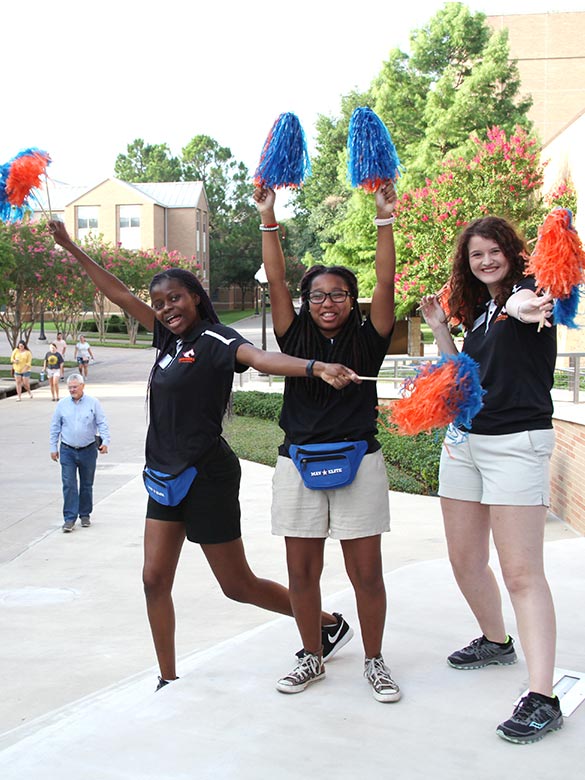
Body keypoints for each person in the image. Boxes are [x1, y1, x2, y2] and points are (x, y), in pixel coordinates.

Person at [49, 219, 360, 692]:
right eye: (159, 302)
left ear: (195, 297)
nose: (166, 308)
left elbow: (260, 358)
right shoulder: (167, 339)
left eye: (175, 298)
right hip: (162, 476)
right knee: (154, 579)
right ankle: (168, 678)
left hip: (207, 475)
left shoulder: (215, 340)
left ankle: (325, 622)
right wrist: (69, 245)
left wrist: (314, 367)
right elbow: (117, 294)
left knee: (237, 586)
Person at [253, 181, 400, 703]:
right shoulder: (295, 337)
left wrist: (385, 220)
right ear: (306, 302)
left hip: (359, 461)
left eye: (338, 293)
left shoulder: (370, 336)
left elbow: (386, 280)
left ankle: (376, 661)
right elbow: (275, 276)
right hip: (299, 463)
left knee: (367, 573)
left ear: (352, 300)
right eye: (317, 295)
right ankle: (312, 654)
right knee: (301, 571)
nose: (327, 302)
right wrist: (269, 218)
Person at [419, 216, 562, 744]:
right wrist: (440, 329)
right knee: (465, 560)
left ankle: (543, 696)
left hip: (516, 446)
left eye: (493, 251)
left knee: (522, 574)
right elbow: (460, 378)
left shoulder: (531, 295)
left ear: (511, 251)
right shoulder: (479, 314)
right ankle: (495, 640)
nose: (485, 261)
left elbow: (531, 306)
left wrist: (523, 304)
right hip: (464, 443)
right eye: (475, 255)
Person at [50, 373, 110, 532]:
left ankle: (85, 514)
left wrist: (105, 442)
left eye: (75, 387)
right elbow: (55, 427)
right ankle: (69, 518)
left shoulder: (93, 403)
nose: (72, 390)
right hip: (67, 450)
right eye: (69, 387)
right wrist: (53, 448)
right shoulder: (62, 405)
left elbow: (102, 423)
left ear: (82, 386)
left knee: (86, 484)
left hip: (88, 450)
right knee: (69, 484)